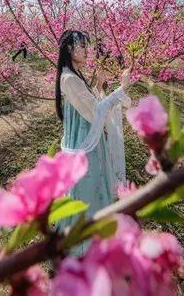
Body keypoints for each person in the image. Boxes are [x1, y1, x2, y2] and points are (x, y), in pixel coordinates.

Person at [55, 30, 132, 253]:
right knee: (86, 190)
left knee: (94, 188)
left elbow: (89, 106)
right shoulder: (69, 78)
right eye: (81, 46)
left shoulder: (75, 76)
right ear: (69, 49)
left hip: (88, 142)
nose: (86, 50)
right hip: (83, 145)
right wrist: (121, 90)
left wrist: (98, 86)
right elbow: (94, 110)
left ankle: (96, 239)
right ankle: (84, 246)